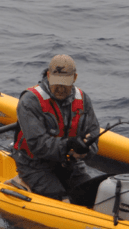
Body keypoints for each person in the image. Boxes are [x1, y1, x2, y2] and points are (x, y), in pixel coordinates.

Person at [11, 53, 101, 201]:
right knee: (61, 199)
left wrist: (85, 150)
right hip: (34, 165)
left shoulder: (84, 99)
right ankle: (21, 182)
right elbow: (37, 144)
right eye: (56, 82)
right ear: (48, 75)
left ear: (74, 78)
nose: (59, 88)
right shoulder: (30, 101)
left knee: (92, 195)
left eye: (64, 83)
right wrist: (68, 145)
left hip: (70, 164)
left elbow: (93, 133)